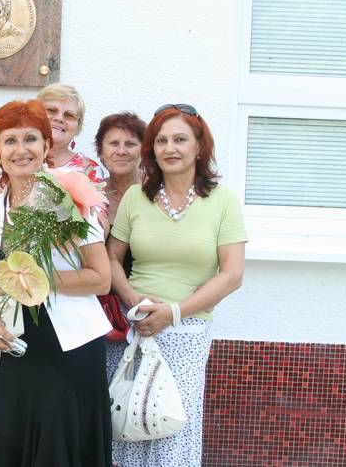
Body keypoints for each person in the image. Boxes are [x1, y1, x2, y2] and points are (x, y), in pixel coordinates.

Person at [0, 100, 113, 467]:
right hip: (18, 346)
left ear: (46, 146)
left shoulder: (69, 198)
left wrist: (35, 279)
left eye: (30, 139)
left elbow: (101, 278)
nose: (21, 149)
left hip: (70, 347)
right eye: (10, 141)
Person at [106, 104, 247, 467]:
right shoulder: (136, 197)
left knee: (172, 428)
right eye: (161, 141)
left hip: (187, 329)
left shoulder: (223, 201)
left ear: (199, 146)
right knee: (125, 425)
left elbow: (232, 274)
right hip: (134, 325)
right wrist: (133, 299)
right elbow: (111, 258)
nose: (169, 148)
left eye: (180, 139)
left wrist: (172, 313)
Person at [94, 112, 147, 224]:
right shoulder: (92, 194)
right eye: (114, 143)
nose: (121, 151)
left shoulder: (159, 191)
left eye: (130, 144)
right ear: (100, 151)